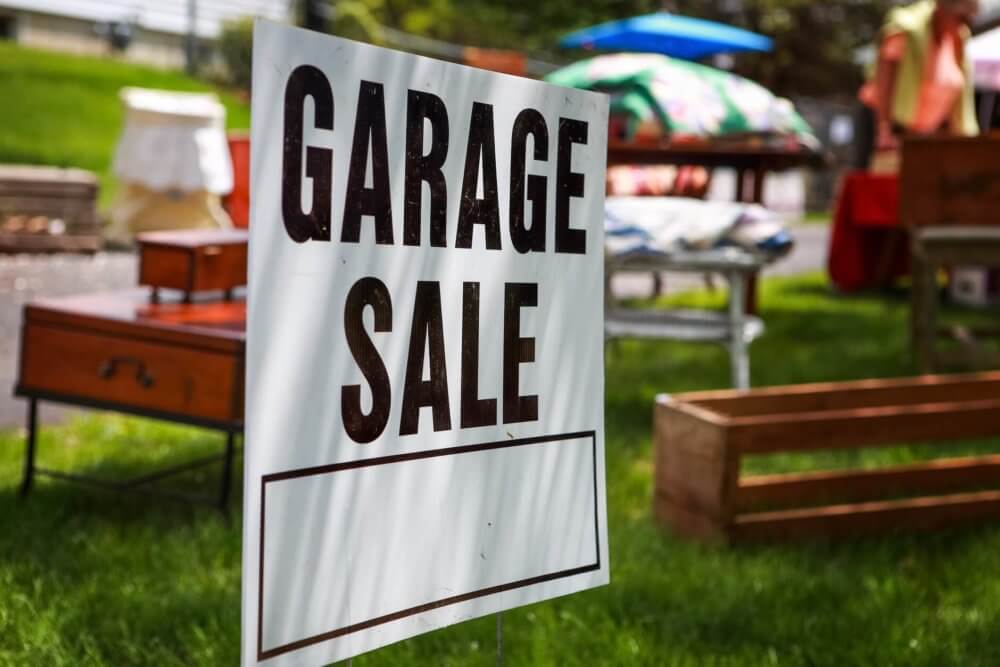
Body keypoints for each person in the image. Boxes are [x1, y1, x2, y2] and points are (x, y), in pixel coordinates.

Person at [859, 0, 980, 161]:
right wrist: (884, 130)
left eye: (970, 20)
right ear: (942, 8)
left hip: (921, 136)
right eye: (963, 18)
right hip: (886, 128)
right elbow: (884, 81)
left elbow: (957, 104)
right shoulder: (907, 28)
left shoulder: (958, 41)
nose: (966, 26)